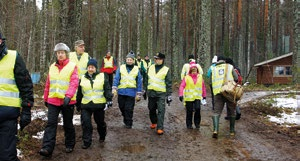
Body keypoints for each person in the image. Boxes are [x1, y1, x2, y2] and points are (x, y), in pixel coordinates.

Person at [39, 43, 79, 157]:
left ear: (66, 54)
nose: (60, 55)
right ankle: (47, 148)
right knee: (51, 124)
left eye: (62, 53)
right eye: (58, 53)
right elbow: (48, 83)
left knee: (67, 124)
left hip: (67, 101)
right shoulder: (52, 66)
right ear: (56, 54)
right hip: (53, 100)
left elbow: (74, 82)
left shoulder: (72, 66)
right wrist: (45, 97)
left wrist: (69, 96)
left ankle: (70, 144)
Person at [0, 32, 34, 161]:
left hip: (7, 116)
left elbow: (25, 85)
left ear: (1, 41)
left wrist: (27, 109)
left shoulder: (13, 57)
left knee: (6, 156)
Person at [76, 58, 113, 149]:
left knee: (100, 123)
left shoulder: (102, 76)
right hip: (86, 105)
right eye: (89, 67)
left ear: (96, 68)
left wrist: (109, 99)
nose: (90, 69)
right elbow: (80, 92)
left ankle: (102, 135)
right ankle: (87, 141)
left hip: (99, 105)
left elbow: (107, 89)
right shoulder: (83, 78)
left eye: (92, 67)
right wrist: (78, 104)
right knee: (86, 123)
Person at [209, 55, 238, 138]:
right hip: (229, 91)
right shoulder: (230, 67)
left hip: (218, 92)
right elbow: (236, 78)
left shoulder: (213, 69)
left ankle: (215, 130)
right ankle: (232, 131)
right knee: (232, 110)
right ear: (224, 60)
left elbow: (210, 82)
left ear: (217, 61)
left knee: (216, 112)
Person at [144, 52, 172, 135]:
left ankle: (160, 127)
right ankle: (154, 122)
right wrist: (145, 90)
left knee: (161, 110)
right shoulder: (150, 68)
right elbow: (146, 79)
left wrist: (169, 94)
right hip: (151, 92)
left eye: (158, 59)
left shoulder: (166, 69)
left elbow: (168, 83)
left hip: (161, 93)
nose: (156, 60)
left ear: (162, 60)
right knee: (151, 108)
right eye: (155, 58)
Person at [112, 52, 142, 129]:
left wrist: (139, 93)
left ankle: (129, 122)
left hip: (131, 92)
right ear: (125, 60)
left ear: (133, 60)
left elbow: (139, 82)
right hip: (121, 91)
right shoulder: (121, 67)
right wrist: (114, 87)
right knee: (121, 107)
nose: (129, 61)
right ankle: (126, 118)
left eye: (130, 60)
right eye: (127, 59)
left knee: (129, 108)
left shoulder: (136, 69)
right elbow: (116, 78)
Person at [179, 62, 206, 129]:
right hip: (189, 98)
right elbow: (182, 86)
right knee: (189, 111)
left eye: (195, 70)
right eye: (193, 70)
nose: (194, 72)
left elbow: (203, 86)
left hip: (197, 97)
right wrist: (181, 94)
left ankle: (197, 123)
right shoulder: (186, 77)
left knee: (198, 109)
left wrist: (204, 95)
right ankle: (189, 124)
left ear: (197, 71)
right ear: (190, 71)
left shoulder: (200, 77)